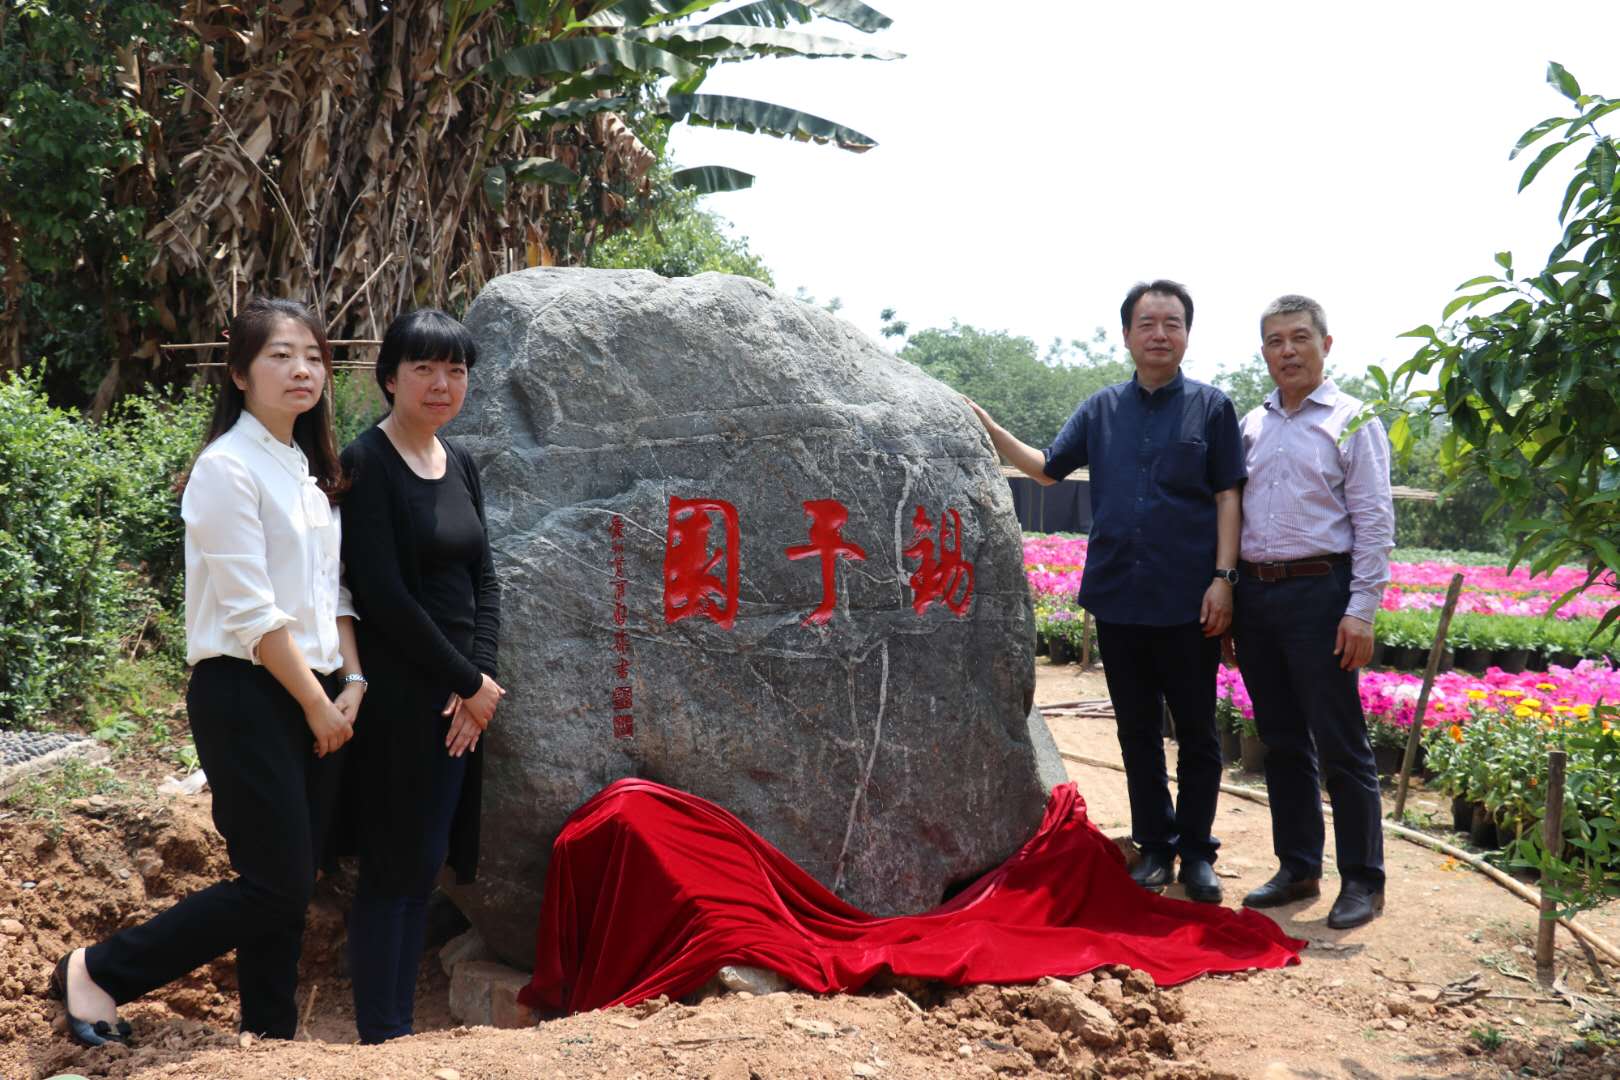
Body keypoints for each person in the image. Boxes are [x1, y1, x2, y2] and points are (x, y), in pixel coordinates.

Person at [51, 298, 363, 1045]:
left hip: (317, 689)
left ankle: (269, 1038)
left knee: (286, 885)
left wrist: (351, 683)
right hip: (249, 693)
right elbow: (253, 614)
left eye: (314, 356)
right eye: (280, 355)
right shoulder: (226, 468)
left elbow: (333, 592)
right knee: (276, 883)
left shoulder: (308, 469)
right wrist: (316, 705)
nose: (302, 370)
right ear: (238, 372)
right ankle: (96, 971)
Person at [968, 280, 1245, 904]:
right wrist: (986, 425)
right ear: (1126, 335)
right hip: (1121, 597)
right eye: (1147, 323)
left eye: (1172, 324)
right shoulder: (1101, 410)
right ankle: (1155, 846)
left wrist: (1224, 580)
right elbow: (1045, 468)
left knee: (1199, 732)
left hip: (1190, 601)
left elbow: (1229, 495)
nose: (1159, 334)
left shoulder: (1212, 408)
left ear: (1186, 335)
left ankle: (1198, 854)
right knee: (1136, 730)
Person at [339, 309, 503, 1043]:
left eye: (456, 370)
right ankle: (383, 1035)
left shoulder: (460, 461)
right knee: (392, 870)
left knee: (426, 862)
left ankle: (394, 1030)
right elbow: (384, 596)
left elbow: (484, 580)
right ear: (389, 379)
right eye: (425, 370)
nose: (442, 385)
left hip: (461, 697)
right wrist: (466, 680)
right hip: (404, 697)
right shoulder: (366, 462)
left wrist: (481, 683)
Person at [1231, 294, 1395, 930]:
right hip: (1257, 594)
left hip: (1321, 593)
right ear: (1265, 351)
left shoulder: (1354, 421)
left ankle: (1363, 879)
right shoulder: (1252, 424)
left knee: (1340, 740)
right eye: (1275, 340)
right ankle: (1298, 865)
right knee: (1279, 738)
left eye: (1300, 337)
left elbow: (1375, 521)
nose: (1288, 350)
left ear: (1327, 345)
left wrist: (1362, 609)